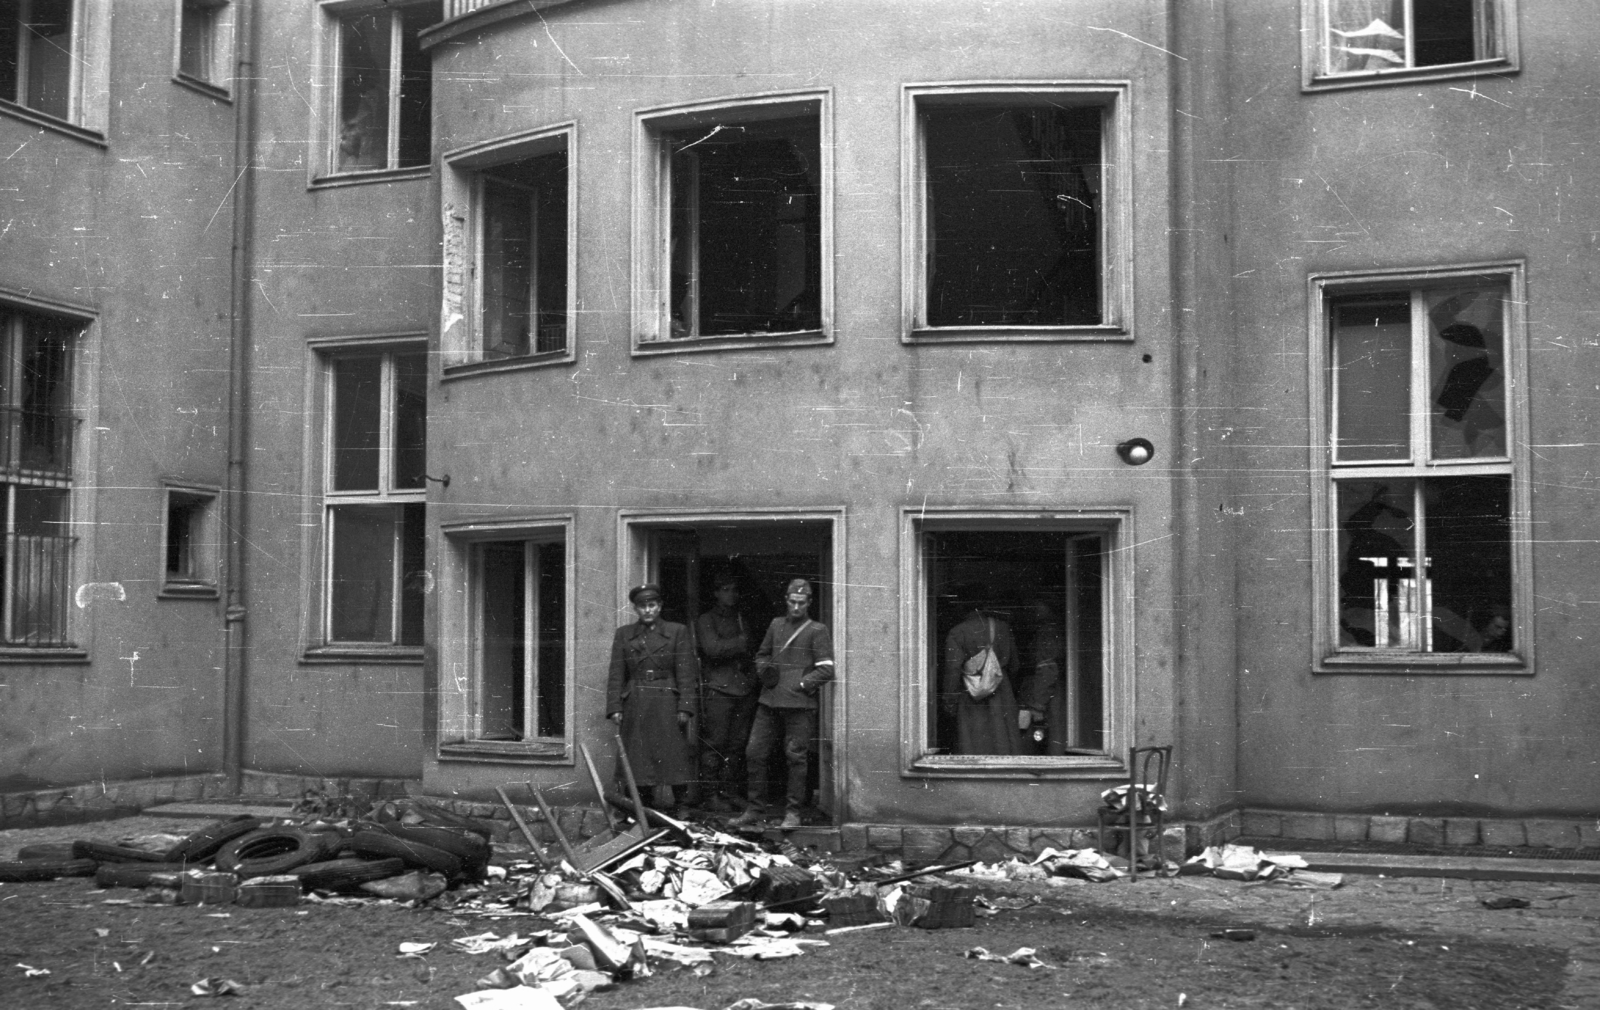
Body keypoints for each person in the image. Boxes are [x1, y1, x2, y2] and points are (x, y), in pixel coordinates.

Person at [732, 578, 834, 830]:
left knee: (795, 758)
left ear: (809, 603)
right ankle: (755, 809)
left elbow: (827, 670)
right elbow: (762, 655)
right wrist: (764, 671)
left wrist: (801, 684)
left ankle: (793, 813)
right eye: (792, 602)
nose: (796, 607)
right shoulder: (776, 625)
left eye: (801, 602)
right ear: (786, 601)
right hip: (769, 701)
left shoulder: (817, 630)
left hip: (799, 705)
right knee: (754, 753)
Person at [606, 584, 698, 815]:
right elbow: (616, 673)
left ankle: (681, 803)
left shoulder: (677, 631)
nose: (648, 610)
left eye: (652, 605)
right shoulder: (624, 634)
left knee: (672, 752)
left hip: (666, 698)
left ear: (660, 606)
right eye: (642, 606)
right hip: (636, 699)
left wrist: (685, 706)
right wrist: (615, 706)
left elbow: (685, 672)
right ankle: (641, 805)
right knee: (638, 754)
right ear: (636, 609)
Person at [940, 584, 1024, 756]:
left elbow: (953, 670)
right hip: (1002, 692)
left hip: (971, 696)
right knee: (1004, 744)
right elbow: (1015, 665)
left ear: (962, 604)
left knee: (974, 747)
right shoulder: (1003, 627)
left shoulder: (957, 632)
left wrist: (949, 702)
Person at [696, 573, 756, 811]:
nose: (732, 594)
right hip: (718, 689)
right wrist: (738, 644)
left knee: (737, 745)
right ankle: (710, 795)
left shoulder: (741, 619)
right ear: (716, 593)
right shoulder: (706, 620)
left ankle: (728, 792)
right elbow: (712, 649)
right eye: (726, 589)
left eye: (734, 590)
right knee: (715, 744)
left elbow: (751, 651)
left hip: (742, 689)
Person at [1018, 599, 1066, 755]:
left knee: (1047, 738)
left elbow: (1048, 670)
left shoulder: (1047, 632)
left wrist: (1038, 703)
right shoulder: (1050, 630)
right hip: (1047, 690)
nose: (1033, 608)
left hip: (1046, 693)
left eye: (1039, 603)